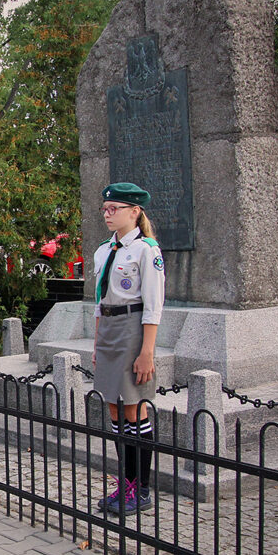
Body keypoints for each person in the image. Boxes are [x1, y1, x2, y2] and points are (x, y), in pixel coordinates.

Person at [91, 182, 165, 516]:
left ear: (135, 212)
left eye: (114, 209)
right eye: (105, 209)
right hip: (108, 329)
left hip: (132, 329)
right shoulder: (104, 250)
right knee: (114, 409)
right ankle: (126, 482)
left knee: (135, 410)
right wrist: (96, 344)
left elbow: (153, 305)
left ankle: (141, 488)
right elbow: (99, 302)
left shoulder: (146, 250)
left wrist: (147, 351)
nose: (107, 214)